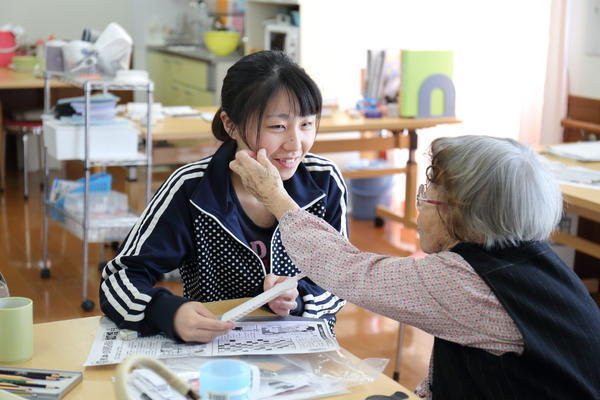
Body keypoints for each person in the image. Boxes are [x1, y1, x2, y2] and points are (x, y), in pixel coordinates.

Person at [230, 135, 600, 399]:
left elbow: (350, 271)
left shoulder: (466, 283)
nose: (417, 207)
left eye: (427, 196)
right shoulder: (532, 259)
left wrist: (275, 198)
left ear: (463, 212)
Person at [100, 51, 347, 343]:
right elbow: (119, 279)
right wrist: (167, 312)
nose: (295, 143)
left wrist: (299, 300)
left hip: (304, 353)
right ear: (230, 125)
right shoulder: (190, 187)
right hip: (214, 355)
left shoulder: (324, 180)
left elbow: (342, 281)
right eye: (277, 126)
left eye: (306, 124)